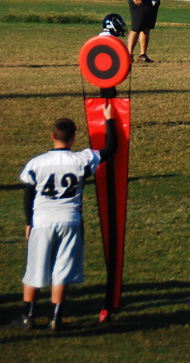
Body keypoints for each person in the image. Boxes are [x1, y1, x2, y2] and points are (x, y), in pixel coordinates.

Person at [15, 103, 119, 332]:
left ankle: (28, 316)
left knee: (34, 269)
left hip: (42, 221)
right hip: (70, 220)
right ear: (73, 138)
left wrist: (28, 222)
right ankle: (55, 318)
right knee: (62, 271)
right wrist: (109, 118)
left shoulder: (36, 162)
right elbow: (111, 148)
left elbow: (28, 196)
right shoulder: (82, 159)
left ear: (52, 136)